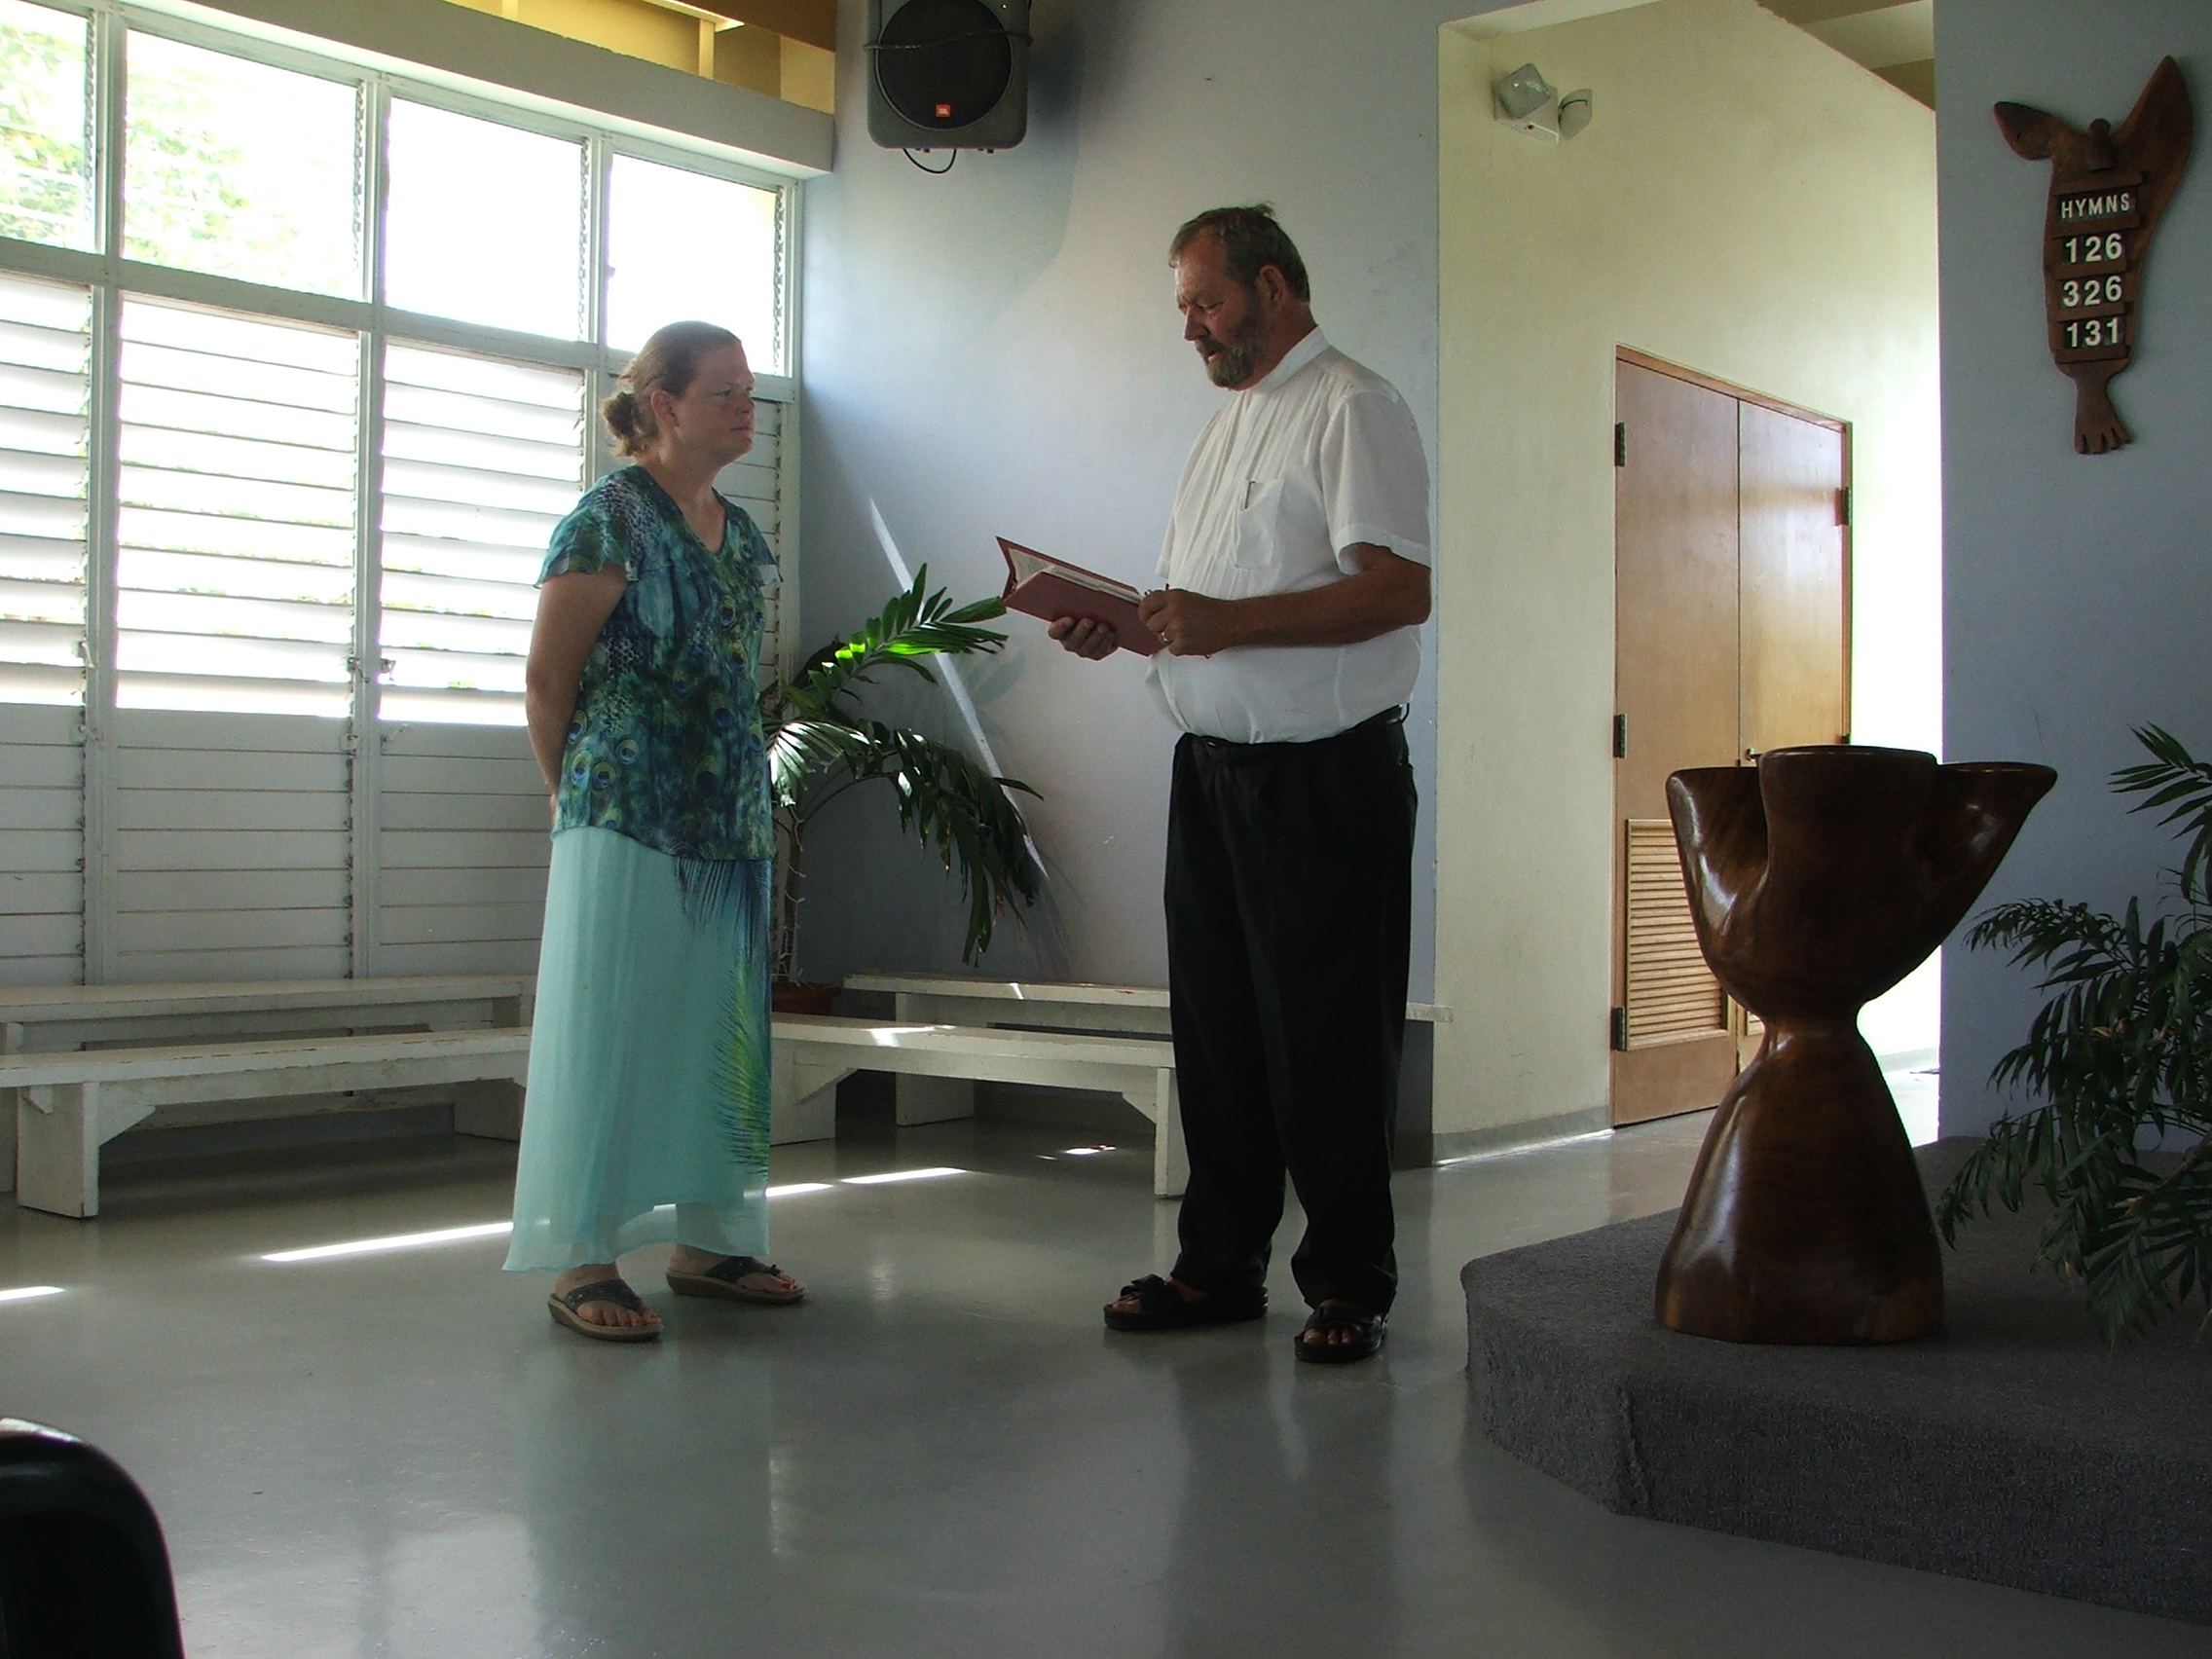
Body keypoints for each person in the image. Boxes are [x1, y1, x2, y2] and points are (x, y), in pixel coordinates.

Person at [1052, 205, 1430, 1365]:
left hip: (1323, 777)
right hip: (1211, 775)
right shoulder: (1226, 427)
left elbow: (1396, 591)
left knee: (1326, 1039)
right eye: (1183, 308)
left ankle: (1349, 1284)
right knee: (1217, 1034)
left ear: (1273, 287)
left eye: (1206, 303)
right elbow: (1204, 609)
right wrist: (1130, 628)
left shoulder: (1352, 405)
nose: (1192, 329)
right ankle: (1217, 1267)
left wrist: (1225, 624)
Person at [505, 319, 805, 1342]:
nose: (747, 407)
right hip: (624, 810)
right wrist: (570, 797)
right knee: (612, 1031)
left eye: (751, 390)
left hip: (728, 815)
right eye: (725, 391)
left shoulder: (741, 531)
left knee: (720, 1037)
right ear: (664, 405)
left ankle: (712, 1243)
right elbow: (547, 681)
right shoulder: (609, 520)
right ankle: (584, 1259)